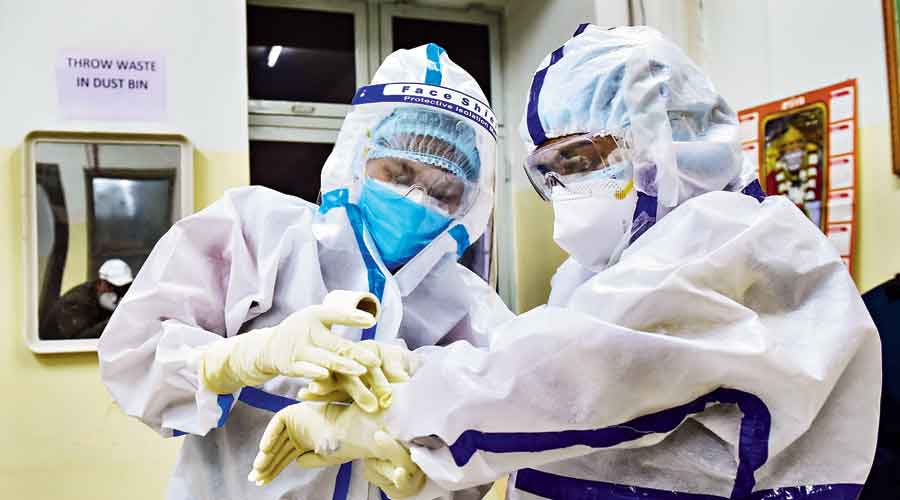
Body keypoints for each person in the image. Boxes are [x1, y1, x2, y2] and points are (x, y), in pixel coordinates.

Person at [274, 25, 881, 499]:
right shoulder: (608, 268)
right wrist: (407, 371)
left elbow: (572, 376)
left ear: (664, 137)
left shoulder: (728, 238)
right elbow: (535, 361)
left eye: (583, 159)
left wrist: (385, 413)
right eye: (550, 172)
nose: (566, 190)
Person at [98, 43, 511, 500]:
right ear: (359, 157)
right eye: (397, 172)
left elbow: (488, 442)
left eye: (443, 191)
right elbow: (134, 355)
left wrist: (430, 472)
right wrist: (236, 361)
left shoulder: (471, 308)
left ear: (468, 204)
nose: (415, 200)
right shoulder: (257, 230)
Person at [40, 258, 133, 340]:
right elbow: (80, 341)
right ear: (101, 283)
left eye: (123, 288)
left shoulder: (98, 299)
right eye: (112, 286)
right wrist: (115, 320)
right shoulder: (76, 302)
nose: (117, 293)